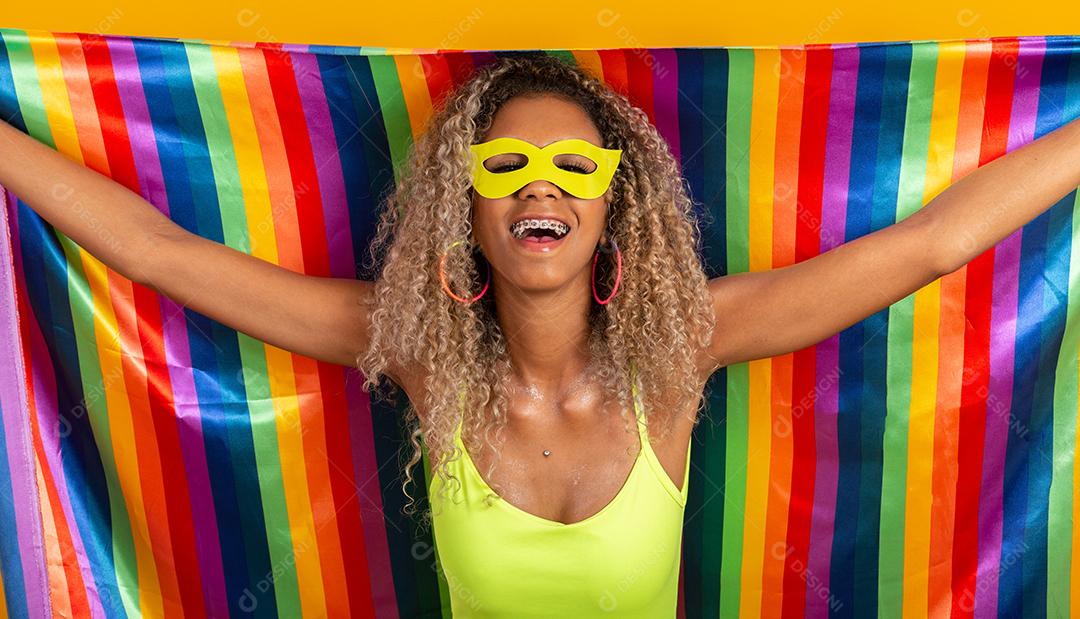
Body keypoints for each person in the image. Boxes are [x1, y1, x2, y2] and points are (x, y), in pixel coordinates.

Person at [1, 54, 1077, 617]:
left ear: (619, 204)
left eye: (574, 169)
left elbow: (936, 243)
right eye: (504, 168)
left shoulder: (681, 352)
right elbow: (159, 253)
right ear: (464, 202)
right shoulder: (420, 359)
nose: (540, 189)